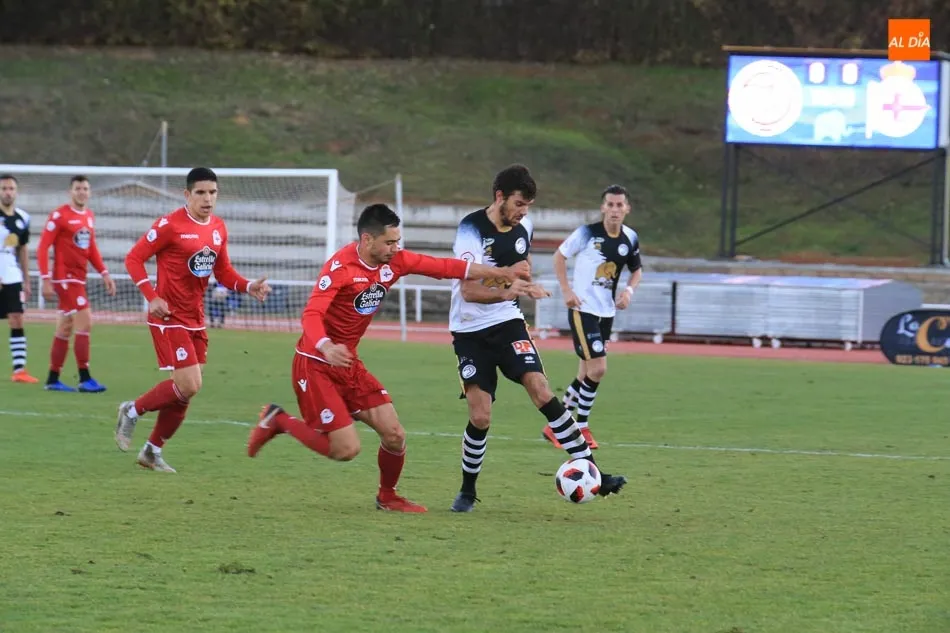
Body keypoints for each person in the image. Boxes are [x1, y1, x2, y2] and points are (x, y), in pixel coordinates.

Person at [246, 203, 531, 513]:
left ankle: (388, 496)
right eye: (390, 242)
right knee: (346, 449)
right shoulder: (340, 268)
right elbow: (312, 314)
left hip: (348, 363)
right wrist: (326, 346)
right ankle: (279, 420)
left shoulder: (395, 261)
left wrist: (501, 273)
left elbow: (446, 267)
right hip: (315, 364)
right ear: (367, 239)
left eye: (398, 242)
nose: (396, 248)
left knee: (395, 435)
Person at [447, 164, 628, 513]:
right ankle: (467, 491)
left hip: (508, 322)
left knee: (541, 389)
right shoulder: (471, 230)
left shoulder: (524, 226)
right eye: (518, 204)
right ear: (499, 197)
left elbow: (522, 264)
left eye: (528, 206)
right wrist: (508, 286)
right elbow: (468, 290)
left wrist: (525, 282)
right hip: (469, 331)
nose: (523, 213)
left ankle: (594, 471)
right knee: (481, 416)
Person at [114, 167, 271, 472]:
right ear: (187, 194)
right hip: (168, 315)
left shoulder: (218, 228)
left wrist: (248, 285)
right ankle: (132, 410)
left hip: (196, 317)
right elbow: (133, 258)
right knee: (190, 384)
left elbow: (223, 272)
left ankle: (151, 451)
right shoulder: (169, 225)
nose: (207, 198)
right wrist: (152, 296)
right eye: (200, 192)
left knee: (184, 392)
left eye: (212, 192)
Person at [544, 184, 642, 450]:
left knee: (585, 373)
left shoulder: (630, 237)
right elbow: (559, 257)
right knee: (598, 369)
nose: (614, 209)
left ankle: (555, 426)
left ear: (627, 208)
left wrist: (629, 291)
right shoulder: (586, 233)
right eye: (610, 204)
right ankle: (581, 427)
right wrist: (566, 290)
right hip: (583, 310)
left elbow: (636, 270)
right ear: (602, 208)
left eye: (619, 205)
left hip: (606, 312)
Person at [36, 175, 116, 392]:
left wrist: (104, 273)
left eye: (85, 189)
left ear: (89, 192)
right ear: (70, 192)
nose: (82, 192)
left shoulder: (88, 216)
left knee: (65, 327)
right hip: (65, 278)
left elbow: (91, 248)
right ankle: (84, 378)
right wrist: (45, 279)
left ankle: (53, 379)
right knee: (85, 321)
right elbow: (43, 247)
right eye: (78, 188)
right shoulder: (59, 215)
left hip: (78, 278)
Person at [0, 174, 38, 383]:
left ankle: (19, 370)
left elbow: (22, 249)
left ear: (16, 192)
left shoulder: (23, 217)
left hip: (11, 273)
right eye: (4, 188)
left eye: (11, 189)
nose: (8, 192)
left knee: (17, 318)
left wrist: (27, 279)